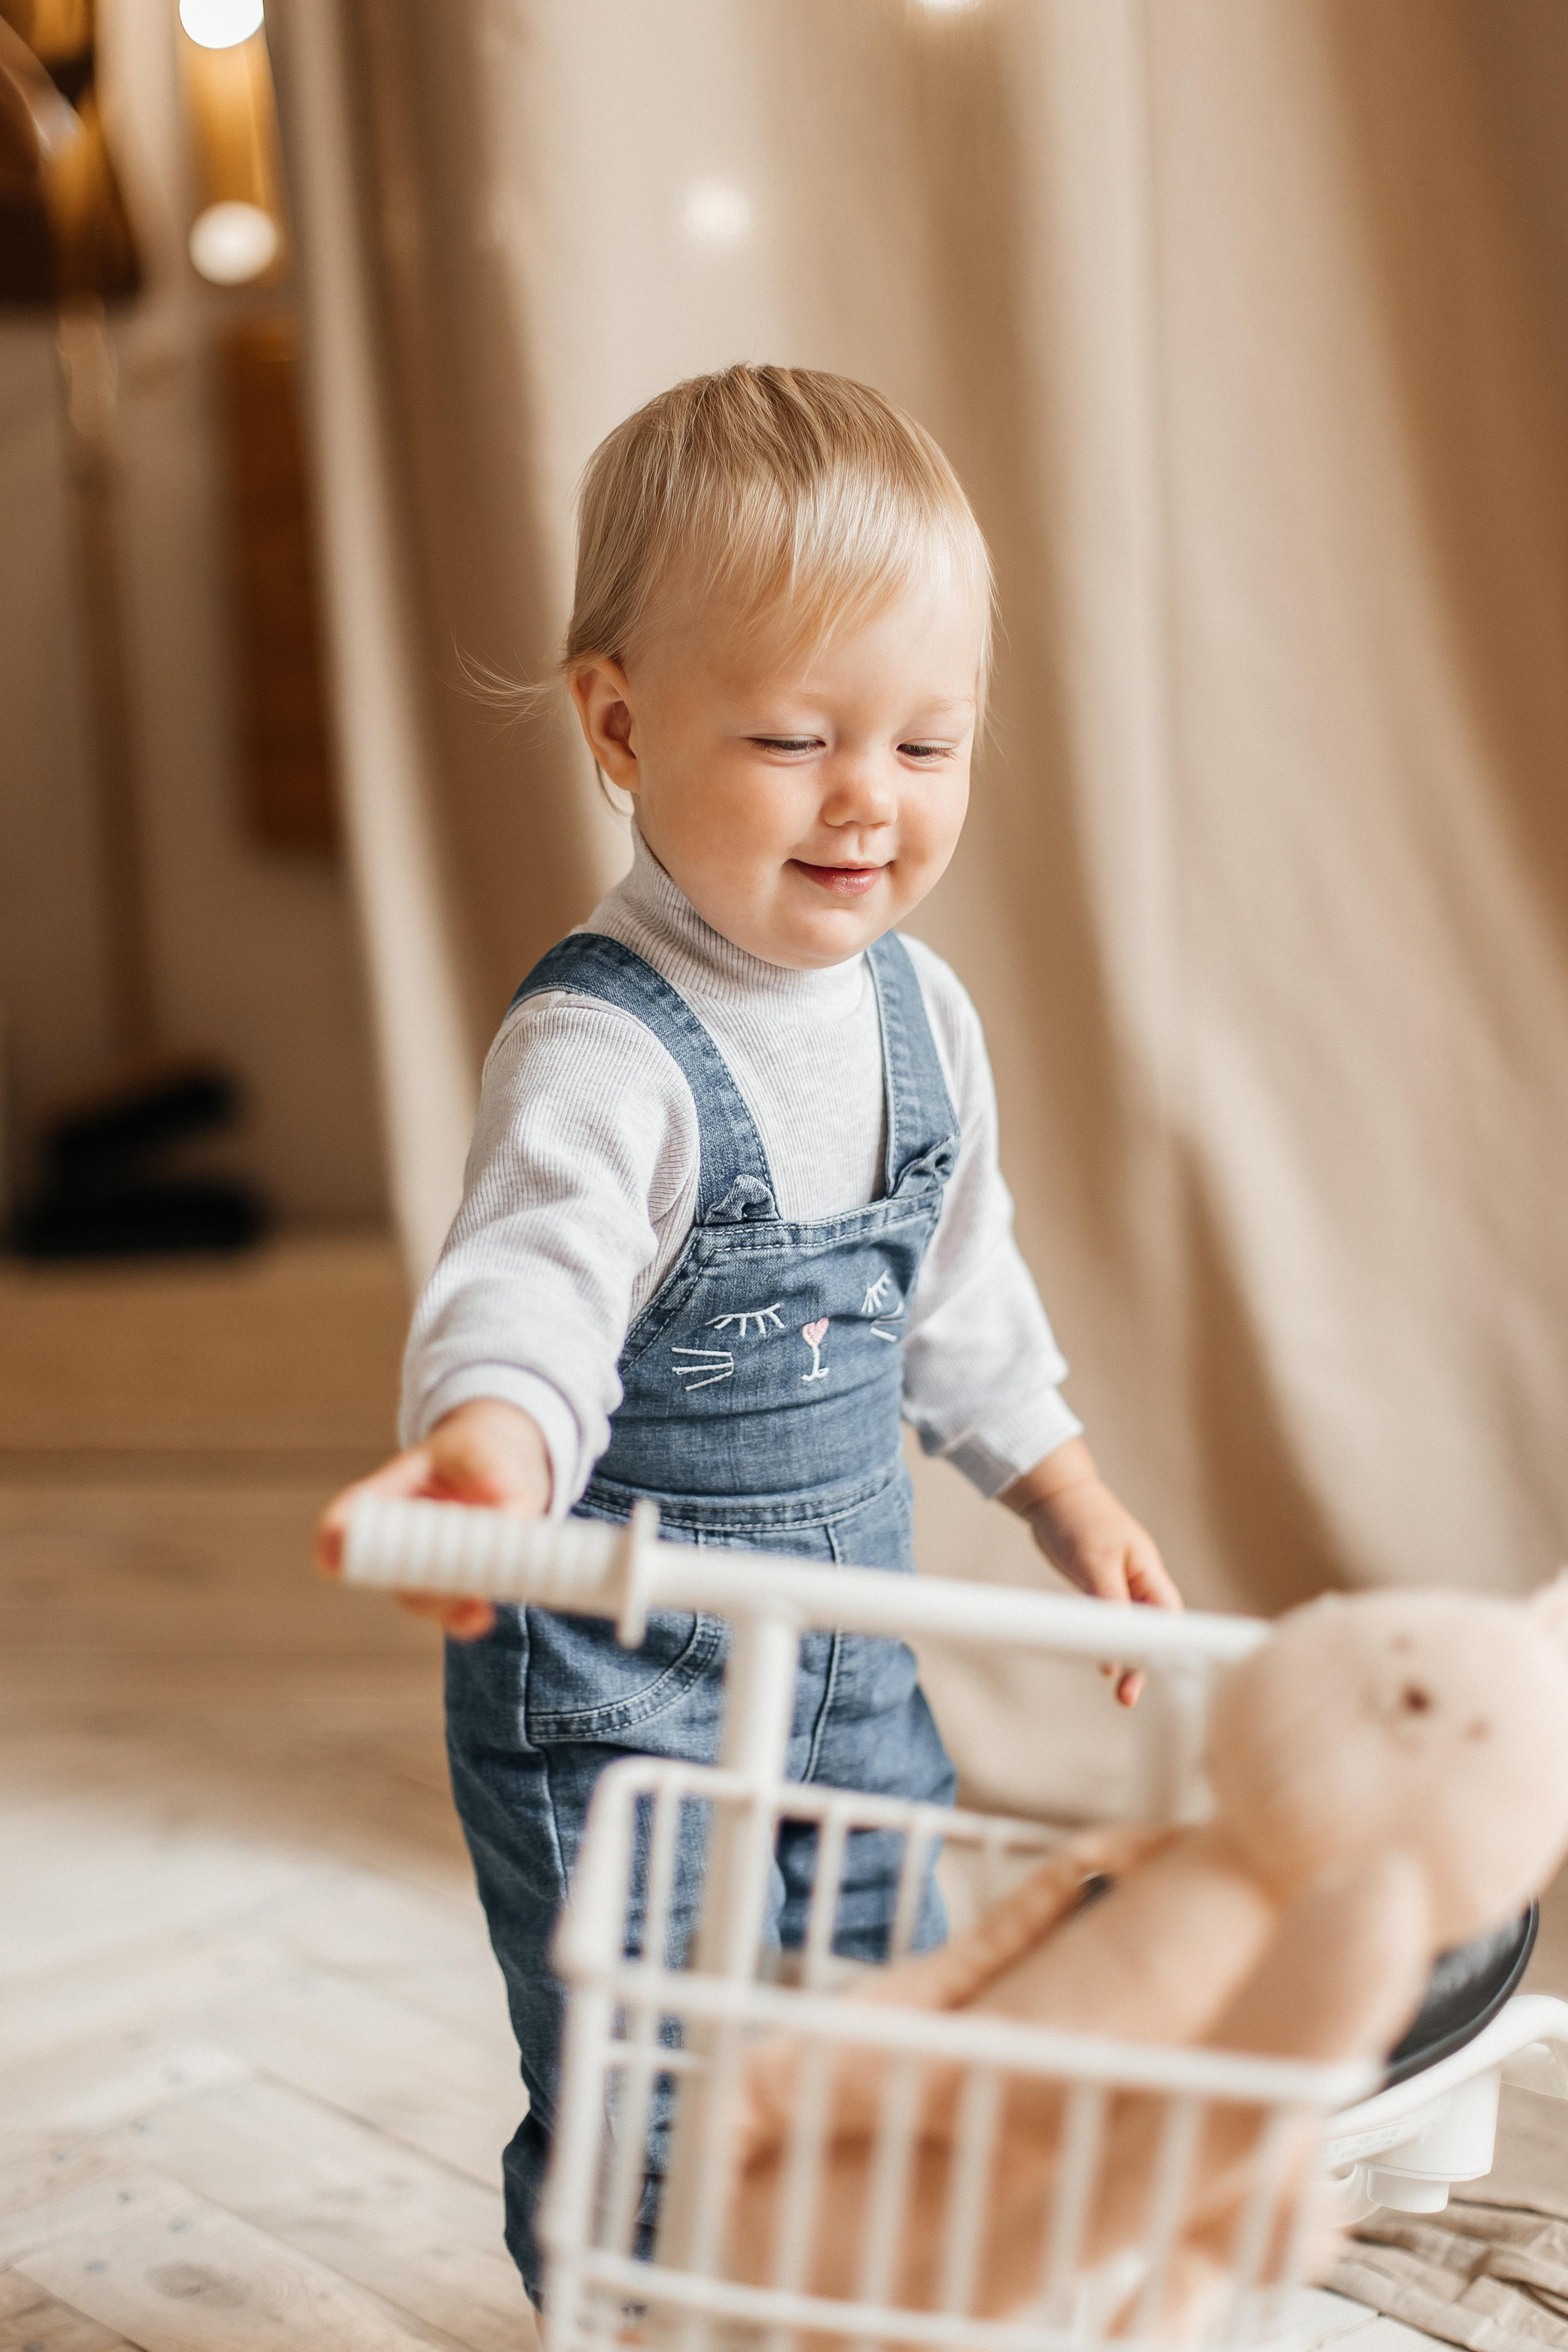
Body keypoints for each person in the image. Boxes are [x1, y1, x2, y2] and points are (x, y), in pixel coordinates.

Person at [317, 363, 1182, 2301]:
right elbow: (532, 1280)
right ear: (621, 726)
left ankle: (845, 2310)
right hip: (618, 1681)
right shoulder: (603, 1048)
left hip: (852, 1663)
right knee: (655, 2075)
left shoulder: (921, 1018)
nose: (871, 796)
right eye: (796, 739)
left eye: (931, 742)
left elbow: (960, 1293)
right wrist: (491, 1448)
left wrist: (1064, 1489)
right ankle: (644, 2318)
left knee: (890, 2029)